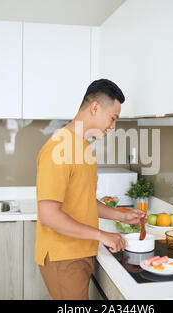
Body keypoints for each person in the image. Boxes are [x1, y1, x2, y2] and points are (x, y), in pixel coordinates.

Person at [34, 79, 147, 300]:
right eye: (112, 118)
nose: (113, 127)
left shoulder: (83, 147)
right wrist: (102, 235)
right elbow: (48, 215)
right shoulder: (59, 148)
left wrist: (122, 216)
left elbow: (83, 200)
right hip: (63, 257)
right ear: (95, 107)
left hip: (78, 252)